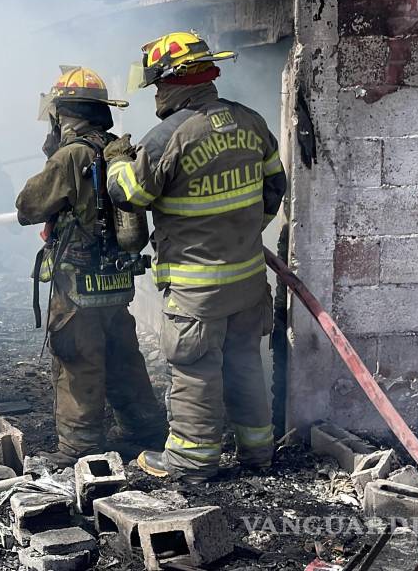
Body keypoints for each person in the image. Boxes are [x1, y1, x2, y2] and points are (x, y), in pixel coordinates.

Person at [106, 31, 287, 483]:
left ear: (174, 81)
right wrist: (239, 234)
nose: (156, 96)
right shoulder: (251, 122)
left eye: (158, 87)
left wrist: (115, 162)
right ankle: (258, 450)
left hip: (196, 288)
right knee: (244, 360)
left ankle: (192, 459)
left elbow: (130, 194)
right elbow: (274, 190)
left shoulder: (167, 136)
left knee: (196, 369)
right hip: (247, 281)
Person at [16, 66, 167, 468]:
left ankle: (81, 445)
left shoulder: (71, 156)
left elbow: (27, 206)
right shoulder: (117, 148)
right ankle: (143, 428)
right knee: (122, 352)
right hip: (115, 279)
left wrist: (53, 157)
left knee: (77, 357)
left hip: (77, 281)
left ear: (63, 112)